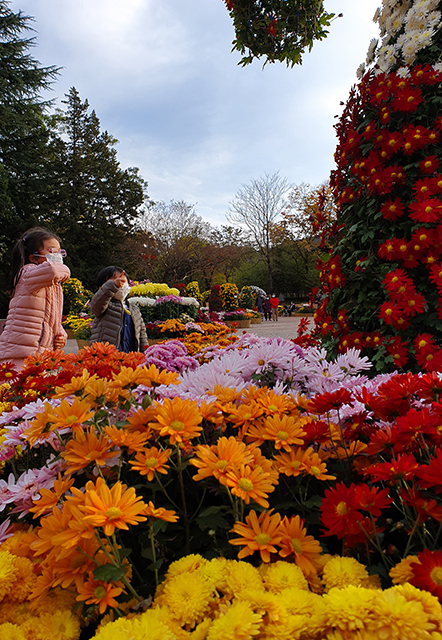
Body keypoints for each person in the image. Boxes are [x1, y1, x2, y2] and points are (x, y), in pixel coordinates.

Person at [0, 227, 71, 368]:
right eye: (52, 251)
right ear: (33, 257)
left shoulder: (52, 285)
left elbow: (53, 316)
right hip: (19, 351)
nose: (58, 255)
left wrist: (60, 334)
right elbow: (55, 270)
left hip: (39, 353)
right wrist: (59, 267)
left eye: (59, 251)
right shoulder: (28, 273)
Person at [89, 266, 148, 353]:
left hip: (130, 357)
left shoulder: (134, 310)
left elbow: (142, 336)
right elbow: (96, 305)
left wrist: (147, 353)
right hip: (106, 357)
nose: (120, 285)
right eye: (114, 281)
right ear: (101, 288)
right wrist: (112, 286)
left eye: (122, 281)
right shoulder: (104, 305)